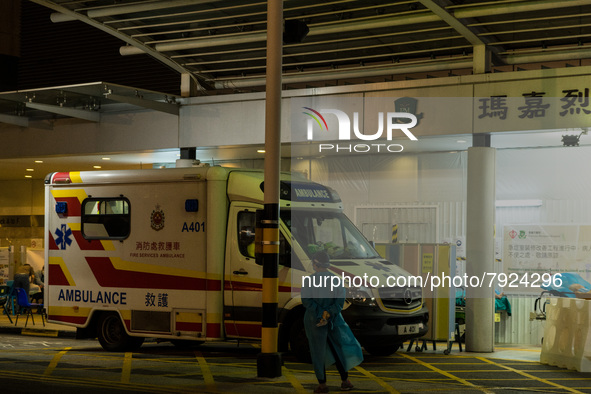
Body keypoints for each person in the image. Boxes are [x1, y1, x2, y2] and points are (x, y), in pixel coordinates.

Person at [302, 251, 363, 393]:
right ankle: (345, 381)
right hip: (334, 321)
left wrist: (320, 314)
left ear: (316, 264)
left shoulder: (309, 281)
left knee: (317, 352)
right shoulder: (337, 280)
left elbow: (306, 301)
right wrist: (328, 314)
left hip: (314, 321)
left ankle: (322, 385)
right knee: (339, 349)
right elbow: (339, 303)